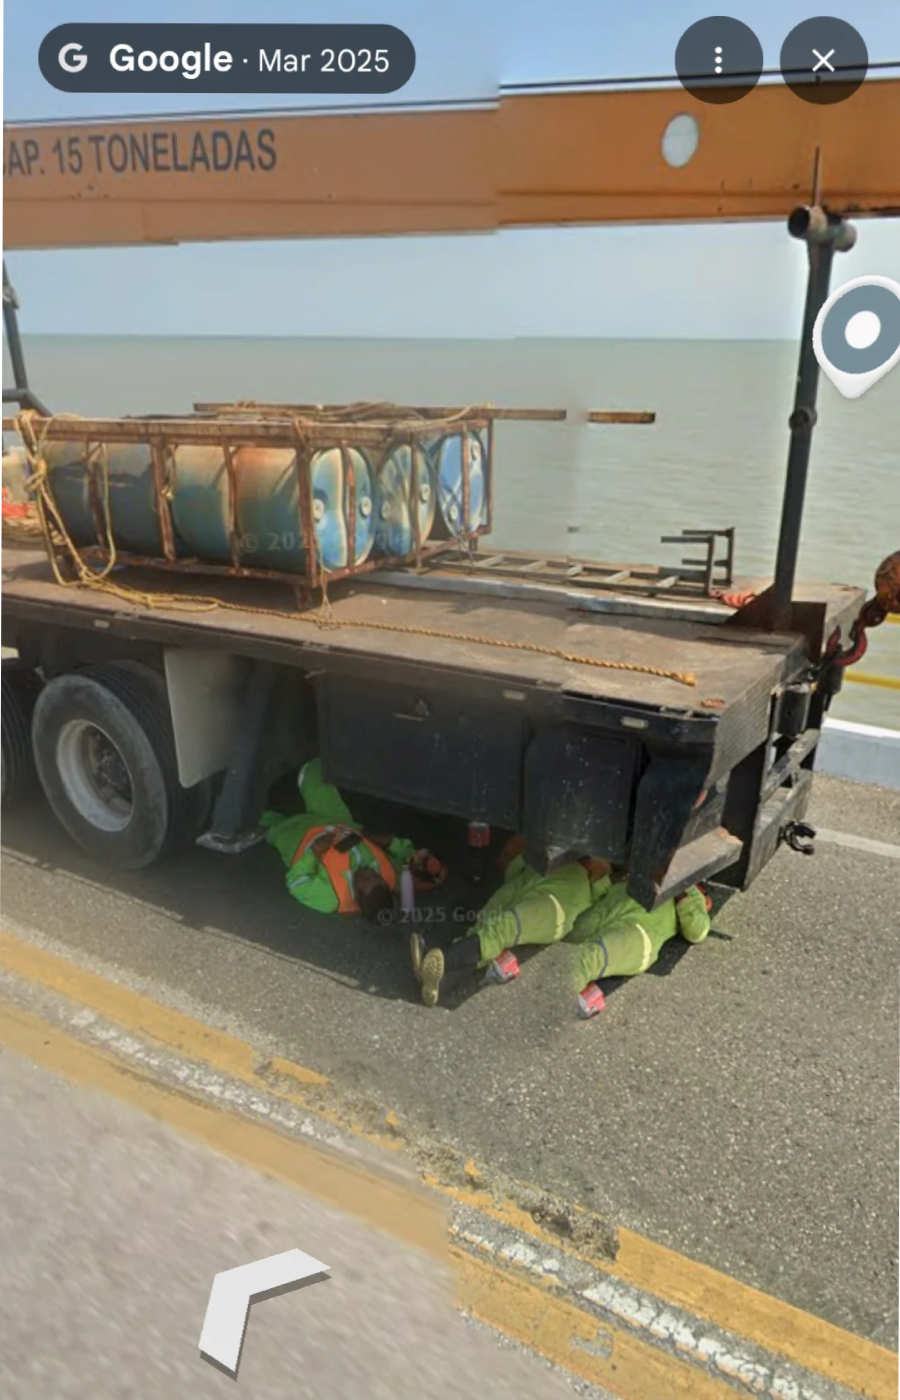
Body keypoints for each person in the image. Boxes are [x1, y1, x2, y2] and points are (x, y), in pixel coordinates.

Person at [411, 836, 711, 1008]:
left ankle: (446, 962)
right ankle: (439, 978)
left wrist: (682, 895)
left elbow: (697, 930)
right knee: (489, 924)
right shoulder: (620, 883)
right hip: (543, 896)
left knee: (582, 956)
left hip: (617, 930)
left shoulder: (685, 892)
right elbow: (593, 908)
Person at [262, 758, 444, 923]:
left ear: (358, 895)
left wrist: (314, 854)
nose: (369, 870)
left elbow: (296, 884)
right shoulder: (390, 877)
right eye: (376, 876)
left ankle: (255, 814)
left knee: (263, 823)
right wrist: (390, 842)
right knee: (314, 771)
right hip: (338, 820)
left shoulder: (330, 899)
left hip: (299, 837)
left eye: (366, 878)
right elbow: (412, 858)